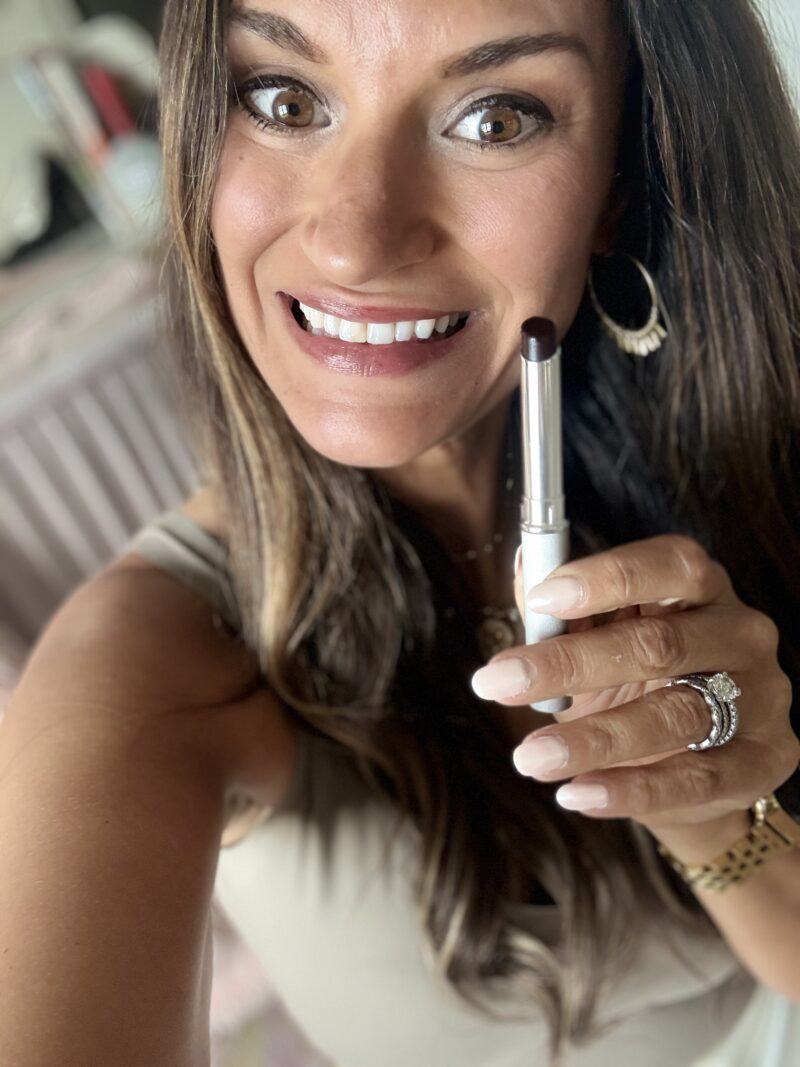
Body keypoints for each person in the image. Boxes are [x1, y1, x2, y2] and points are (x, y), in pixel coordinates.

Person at [1, 1, 799, 1064]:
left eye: (495, 118)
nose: (355, 241)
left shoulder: (745, 437)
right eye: (284, 100)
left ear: (621, 174)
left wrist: (714, 818)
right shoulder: (136, 672)